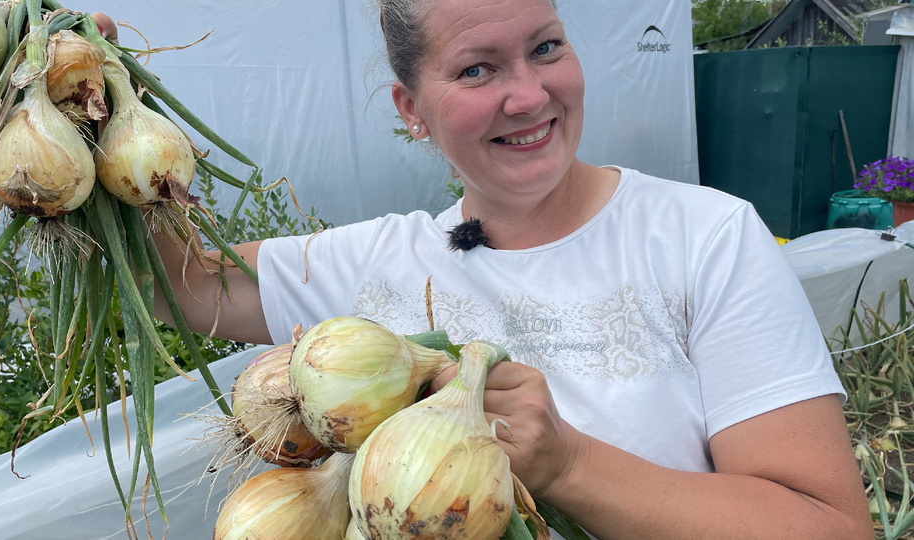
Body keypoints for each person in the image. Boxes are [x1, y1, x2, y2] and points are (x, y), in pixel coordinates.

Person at [100, 0, 872, 536]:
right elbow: (180, 287)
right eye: (476, 70)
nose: (529, 95)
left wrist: (567, 465)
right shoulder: (375, 264)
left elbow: (828, 526)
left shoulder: (703, 237)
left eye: (546, 48)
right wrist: (101, 108)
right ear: (412, 109)